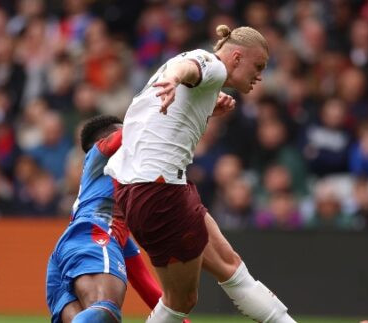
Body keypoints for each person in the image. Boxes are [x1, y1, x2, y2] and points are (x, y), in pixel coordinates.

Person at [105, 25, 295, 322]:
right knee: (180, 300)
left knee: (231, 267)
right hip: (159, 192)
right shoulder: (212, 66)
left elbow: (168, 108)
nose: (260, 76)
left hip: (150, 187)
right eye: (257, 66)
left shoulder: (201, 71)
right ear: (235, 57)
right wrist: (173, 78)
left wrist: (206, 107)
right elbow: (188, 69)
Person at [46, 115, 162, 323]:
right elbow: (127, 135)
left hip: (71, 249)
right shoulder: (97, 155)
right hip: (92, 237)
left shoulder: (117, 226)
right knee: (104, 312)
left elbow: (146, 285)